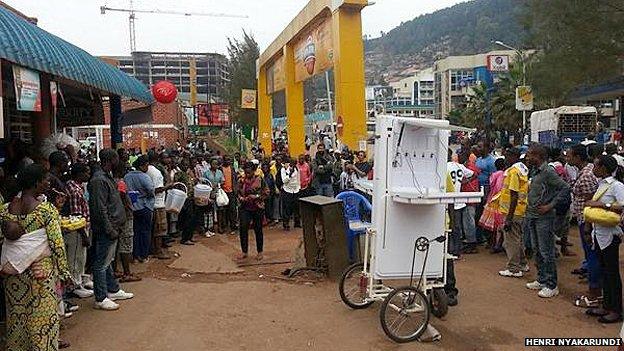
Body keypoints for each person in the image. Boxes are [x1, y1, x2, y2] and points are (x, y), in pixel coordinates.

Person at [0, 164, 71, 350]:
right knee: (43, 322)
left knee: (17, 321)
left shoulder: (5, 210)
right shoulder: (46, 211)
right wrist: (64, 273)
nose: (48, 183)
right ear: (36, 183)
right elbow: (57, 245)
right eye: (45, 179)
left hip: (13, 277)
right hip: (41, 275)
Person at [88, 149, 134, 311]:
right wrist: (109, 229)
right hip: (107, 228)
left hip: (115, 226)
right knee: (101, 264)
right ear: (110, 159)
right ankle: (100, 298)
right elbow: (100, 209)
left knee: (107, 261)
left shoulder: (106, 176)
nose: (119, 160)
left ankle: (112, 289)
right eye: (116, 158)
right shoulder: (98, 180)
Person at [524, 144, 570, 298]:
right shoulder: (534, 170)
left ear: (538, 156)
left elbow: (565, 188)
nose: (528, 157)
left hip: (544, 217)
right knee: (537, 249)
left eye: (530, 154)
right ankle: (542, 279)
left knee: (546, 251)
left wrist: (550, 205)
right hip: (532, 215)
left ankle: (551, 284)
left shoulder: (548, 171)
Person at [585, 155, 623, 323]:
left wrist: (602, 205)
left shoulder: (617, 186)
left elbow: (622, 206)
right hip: (599, 233)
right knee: (605, 271)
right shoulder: (602, 184)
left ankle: (616, 309)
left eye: (596, 166)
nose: (593, 169)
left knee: (612, 273)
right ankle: (607, 305)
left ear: (604, 168)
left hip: (610, 234)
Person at [567, 144, 601, 307]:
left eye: (570, 156)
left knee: (591, 255)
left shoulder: (586, 175)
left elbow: (591, 200)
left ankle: (594, 291)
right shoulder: (585, 171)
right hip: (584, 218)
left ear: (578, 158)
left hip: (586, 219)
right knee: (590, 254)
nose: (567, 158)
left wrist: (587, 224)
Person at [498, 147, 530, 278]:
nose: (505, 159)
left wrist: (509, 218)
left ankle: (514, 268)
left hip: (513, 211)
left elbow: (514, 195)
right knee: (518, 239)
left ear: (513, 156)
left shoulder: (513, 172)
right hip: (520, 210)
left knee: (511, 241)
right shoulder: (522, 169)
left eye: (507, 156)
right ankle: (522, 263)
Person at [65, 162, 94, 298]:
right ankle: (75, 286)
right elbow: (76, 215)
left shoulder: (78, 186)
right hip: (77, 231)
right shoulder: (74, 191)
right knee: (76, 258)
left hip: (82, 227)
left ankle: (80, 281)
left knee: (81, 258)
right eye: (86, 172)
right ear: (79, 174)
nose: (88, 175)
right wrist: (84, 235)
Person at [124, 155, 155, 262]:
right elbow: (151, 190)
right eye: (146, 165)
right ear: (142, 166)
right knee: (145, 231)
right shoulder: (144, 177)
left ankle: (135, 255)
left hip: (132, 207)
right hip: (144, 206)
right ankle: (144, 255)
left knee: (135, 232)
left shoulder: (127, 176)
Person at [114, 162, 141, 283]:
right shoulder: (120, 183)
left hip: (117, 217)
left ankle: (115, 270)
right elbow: (122, 196)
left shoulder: (111, 181)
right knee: (126, 244)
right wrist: (127, 207)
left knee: (117, 245)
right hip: (124, 217)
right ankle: (127, 273)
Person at [237, 162, 269, 261]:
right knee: (243, 228)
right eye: (246, 171)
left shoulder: (260, 179)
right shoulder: (241, 180)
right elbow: (237, 192)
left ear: (253, 170)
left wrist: (257, 196)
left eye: (249, 171)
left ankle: (260, 252)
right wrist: (241, 198)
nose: (248, 173)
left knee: (258, 229)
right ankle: (244, 251)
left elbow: (267, 192)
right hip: (245, 207)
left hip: (257, 207)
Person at [447, 149, 475, 256]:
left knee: (449, 226)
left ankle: (451, 249)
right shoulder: (459, 166)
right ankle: (457, 250)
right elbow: (473, 174)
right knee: (457, 227)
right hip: (457, 201)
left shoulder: (444, 166)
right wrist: (461, 182)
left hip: (447, 201)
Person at [146, 152, 171, 259]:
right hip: (158, 204)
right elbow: (156, 190)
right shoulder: (156, 172)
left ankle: (152, 249)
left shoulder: (146, 170)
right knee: (159, 229)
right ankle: (158, 251)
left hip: (149, 204)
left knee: (152, 229)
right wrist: (168, 186)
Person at [281, 158, 301, 230]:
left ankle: (297, 223)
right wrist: (290, 174)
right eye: (292, 163)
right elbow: (284, 181)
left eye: (295, 163)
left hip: (295, 190)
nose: (294, 165)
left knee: (296, 207)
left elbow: (298, 179)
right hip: (287, 190)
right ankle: (286, 224)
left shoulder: (297, 169)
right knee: (287, 208)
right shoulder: (284, 170)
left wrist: (299, 187)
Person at [221, 155, 238, 234]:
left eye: (229, 160)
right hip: (223, 192)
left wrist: (236, 190)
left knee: (233, 210)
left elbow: (235, 179)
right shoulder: (220, 169)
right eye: (226, 160)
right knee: (224, 211)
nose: (228, 161)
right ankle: (224, 226)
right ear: (223, 160)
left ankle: (233, 226)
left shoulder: (232, 168)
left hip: (231, 192)